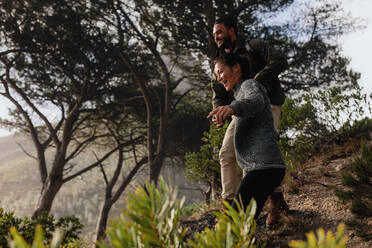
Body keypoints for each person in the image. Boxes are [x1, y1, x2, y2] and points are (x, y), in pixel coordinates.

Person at [211, 15, 289, 227]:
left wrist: (259, 81)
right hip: (237, 109)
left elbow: (280, 60)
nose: (216, 37)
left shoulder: (252, 46)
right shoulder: (220, 62)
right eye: (214, 34)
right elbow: (218, 92)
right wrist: (219, 112)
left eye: (219, 32)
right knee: (227, 153)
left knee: (262, 151)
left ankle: (276, 203)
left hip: (265, 102)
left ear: (231, 31)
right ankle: (231, 205)